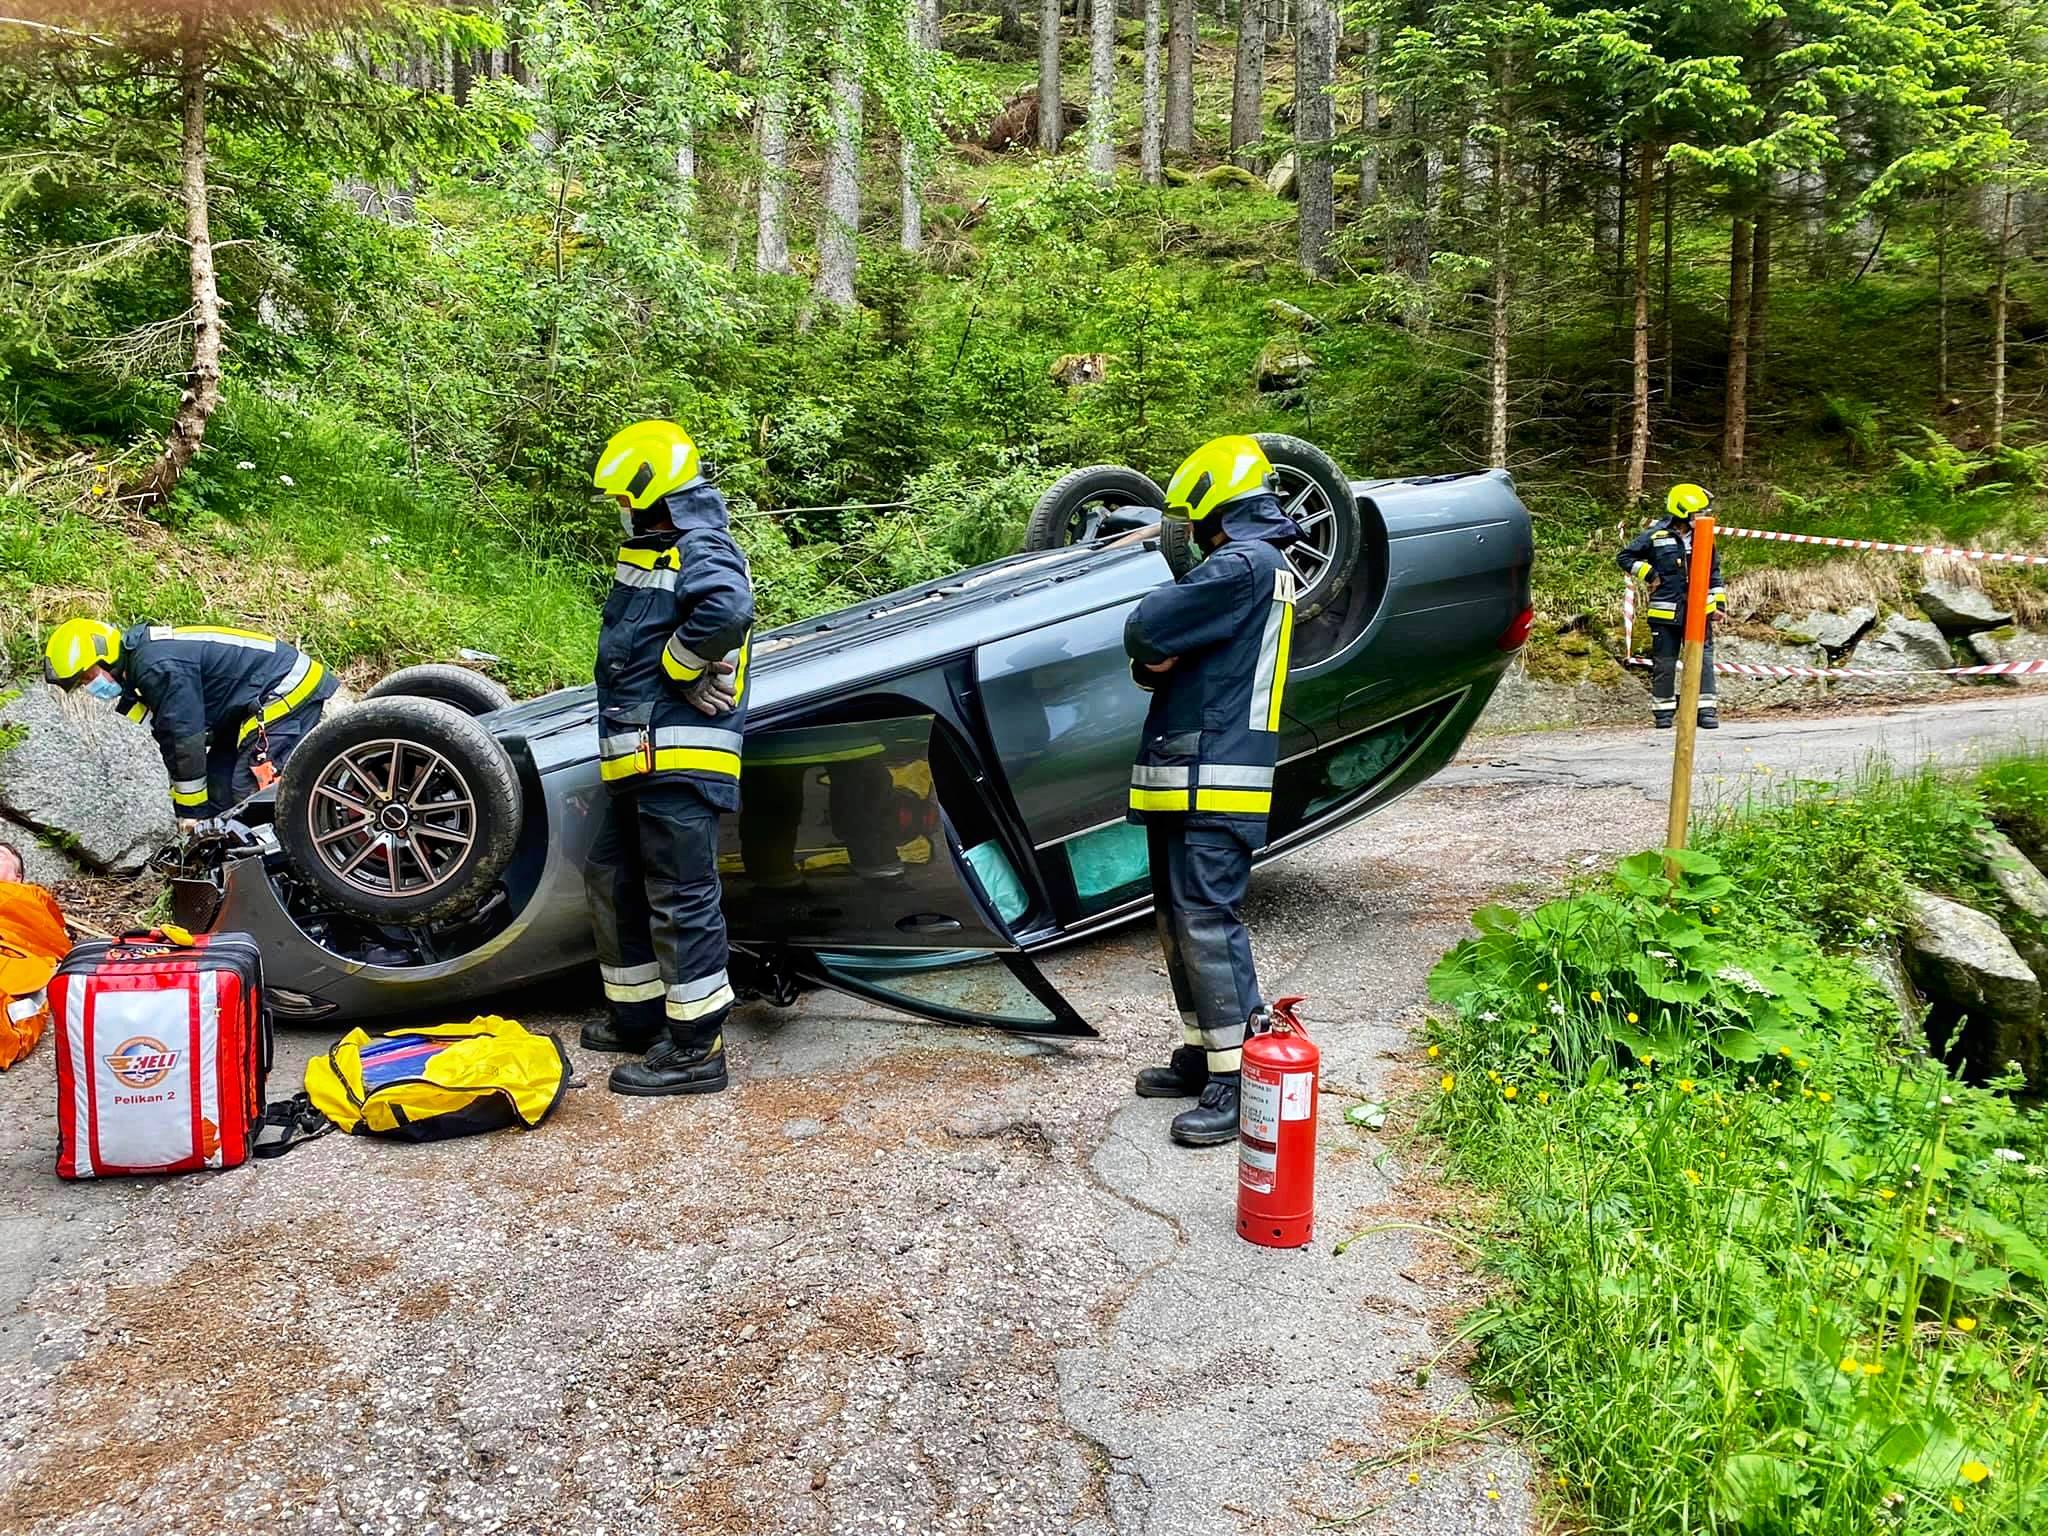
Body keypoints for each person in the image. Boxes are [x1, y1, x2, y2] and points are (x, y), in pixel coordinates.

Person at [1122, 435, 1302, 1147]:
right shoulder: (1256, 566)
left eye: (1192, 519)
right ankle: (1206, 1051)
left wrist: (1154, 646)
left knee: (1204, 920)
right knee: (1179, 920)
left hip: (1212, 775)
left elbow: (1147, 628)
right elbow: (1157, 660)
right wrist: (1155, 656)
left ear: (1213, 504)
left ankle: (1239, 1079)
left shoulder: (1244, 563)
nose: (1189, 533)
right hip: (1190, 773)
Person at [583, 419, 756, 1097]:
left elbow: (728, 610)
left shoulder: (701, 544)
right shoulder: (657, 549)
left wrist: (680, 667)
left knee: (682, 898)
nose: (622, 510)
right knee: (613, 878)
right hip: (639, 755)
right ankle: (640, 1018)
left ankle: (696, 1048)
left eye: (627, 499)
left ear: (656, 496)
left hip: (678, 756)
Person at [42, 619, 335, 825]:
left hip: (285, 687)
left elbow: (185, 739)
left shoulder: (155, 666)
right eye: (83, 683)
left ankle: (297, 868)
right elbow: (172, 742)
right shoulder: (142, 671)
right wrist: (194, 815)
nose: (91, 687)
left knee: (252, 791)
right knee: (220, 791)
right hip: (245, 707)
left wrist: (191, 817)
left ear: (105, 655)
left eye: (89, 676)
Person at [1617, 482, 1726, 730]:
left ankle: (1705, 711)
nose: (1703, 517)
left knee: (1703, 660)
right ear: (1682, 512)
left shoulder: (1704, 537)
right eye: (1698, 513)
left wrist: (1718, 604)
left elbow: (1713, 572)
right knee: (1665, 663)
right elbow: (1625, 557)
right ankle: (1663, 713)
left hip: (1699, 611)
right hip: (1665, 612)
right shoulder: (1656, 535)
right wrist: (1650, 574)